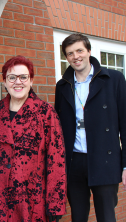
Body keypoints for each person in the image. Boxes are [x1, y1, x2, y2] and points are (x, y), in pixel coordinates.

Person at [0, 56, 66, 222]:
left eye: (23, 77)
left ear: (31, 80)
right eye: (12, 77)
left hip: (29, 199)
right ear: (5, 82)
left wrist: (55, 204)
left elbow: (56, 159)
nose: (17, 82)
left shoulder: (45, 113)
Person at [55, 33, 126, 222]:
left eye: (79, 50)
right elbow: (59, 128)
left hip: (105, 160)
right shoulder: (62, 86)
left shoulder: (115, 79)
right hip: (74, 162)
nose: (75, 56)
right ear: (66, 57)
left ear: (89, 51)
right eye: (70, 53)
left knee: (106, 217)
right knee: (78, 217)